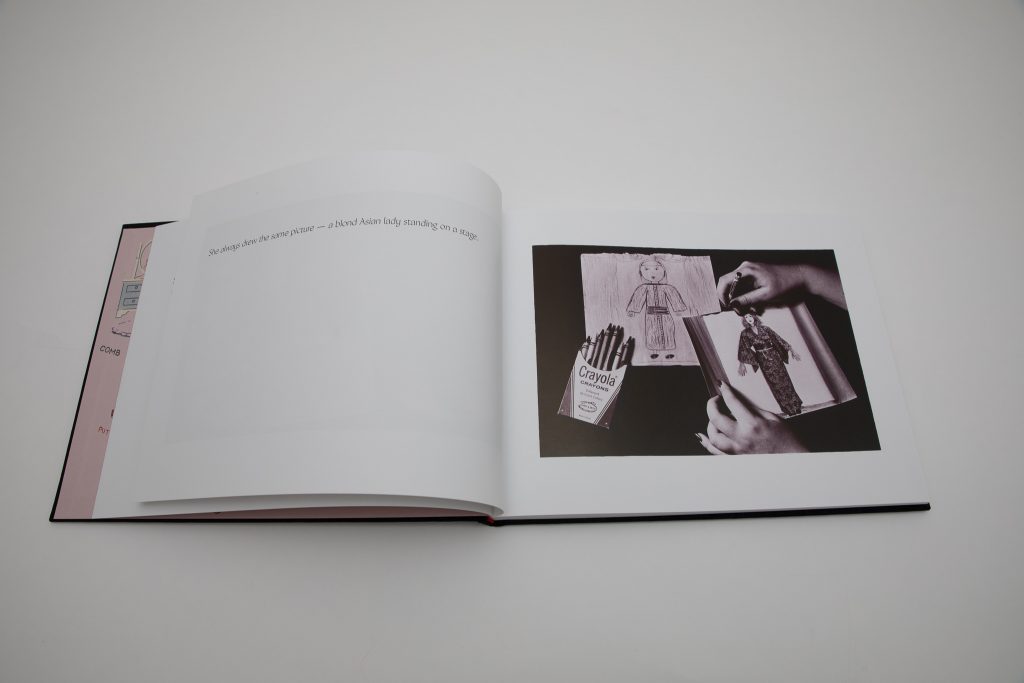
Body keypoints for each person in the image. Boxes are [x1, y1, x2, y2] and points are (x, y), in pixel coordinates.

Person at [698, 260, 847, 455]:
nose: (750, 318)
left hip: (774, 357)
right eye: (747, 318)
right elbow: (744, 349)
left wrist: (784, 451)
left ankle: (794, 405)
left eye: (751, 317)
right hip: (763, 360)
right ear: (745, 321)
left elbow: (779, 340)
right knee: (775, 384)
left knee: (785, 381)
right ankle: (784, 406)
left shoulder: (766, 329)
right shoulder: (745, 334)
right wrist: (803, 275)